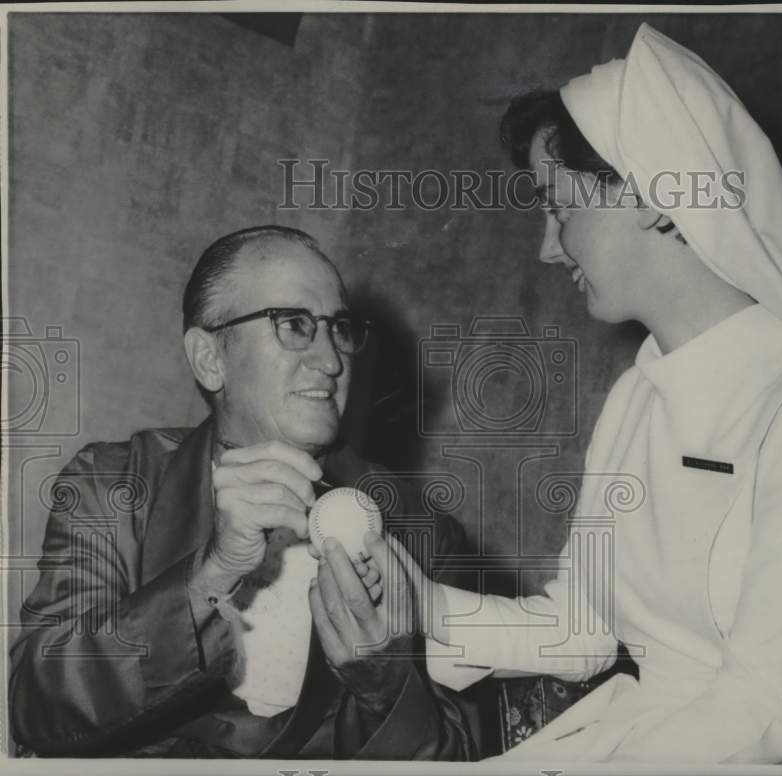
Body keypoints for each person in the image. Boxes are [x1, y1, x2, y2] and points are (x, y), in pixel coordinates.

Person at [395, 24, 782, 765]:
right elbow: (581, 626)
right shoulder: (639, 392)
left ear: (654, 196)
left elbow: (764, 706)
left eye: (559, 207)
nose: (547, 246)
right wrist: (417, 609)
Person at [8, 225, 477, 759]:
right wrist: (208, 576)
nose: (331, 360)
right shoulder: (113, 486)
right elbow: (33, 707)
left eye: (340, 328)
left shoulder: (422, 530)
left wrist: (386, 686)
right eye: (294, 324)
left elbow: (463, 757)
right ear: (210, 358)